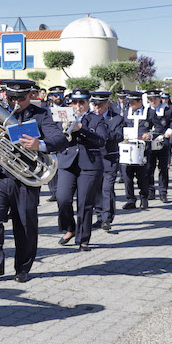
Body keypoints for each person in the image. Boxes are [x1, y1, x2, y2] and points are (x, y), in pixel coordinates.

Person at [0, 80, 67, 282]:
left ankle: (23, 268)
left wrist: (41, 144)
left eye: (20, 98)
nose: (15, 102)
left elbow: (60, 140)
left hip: (26, 176)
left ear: (30, 96)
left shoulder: (41, 114)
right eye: (11, 98)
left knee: (25, 224)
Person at [56, 89, 109, 251]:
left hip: (89, 165)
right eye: (75, 102)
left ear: (88, 103)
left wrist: (82, 129)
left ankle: (83, 238)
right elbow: (54, 137)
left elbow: (101, 140)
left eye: (82, 102)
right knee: (62, 198)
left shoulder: (96, 118)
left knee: (85, 203)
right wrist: (62, 129)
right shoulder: (63, 117)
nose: (78, 106)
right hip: (67, 162)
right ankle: (70, 228)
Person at [91, 91, 123, 231]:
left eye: (101, 105)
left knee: (107, 189)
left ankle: (106, 219)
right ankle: (99, 216)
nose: (97, 107)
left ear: (108, 104)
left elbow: (119, 136)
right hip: (93, 158)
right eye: (95, 104)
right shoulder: (89, 118)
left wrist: (103, 130)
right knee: (96, 189)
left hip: (109, 157)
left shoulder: (117, 118)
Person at [119, 91, 155, 210]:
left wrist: (150, 135)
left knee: (142, 176)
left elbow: (159, 127)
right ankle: (130, 199)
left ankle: (144, 198)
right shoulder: (126, 112)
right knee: (127, 176)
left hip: (143, 149)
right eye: (129, 102)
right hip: (128, 148)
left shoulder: (149, 112)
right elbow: (120, 127)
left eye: (133, 102)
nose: (130, 104)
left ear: (140, 101)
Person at [145, 90, 172, 202]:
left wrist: (170, 131)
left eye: (155, 99)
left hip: (163, 142)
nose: (153, 102)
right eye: (150, 100)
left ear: (159, 99)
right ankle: (150, 191)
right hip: (150, 143)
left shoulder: (167, 110)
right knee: (149, 168)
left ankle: (163, 192)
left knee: (163, 168)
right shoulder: (147, 110)